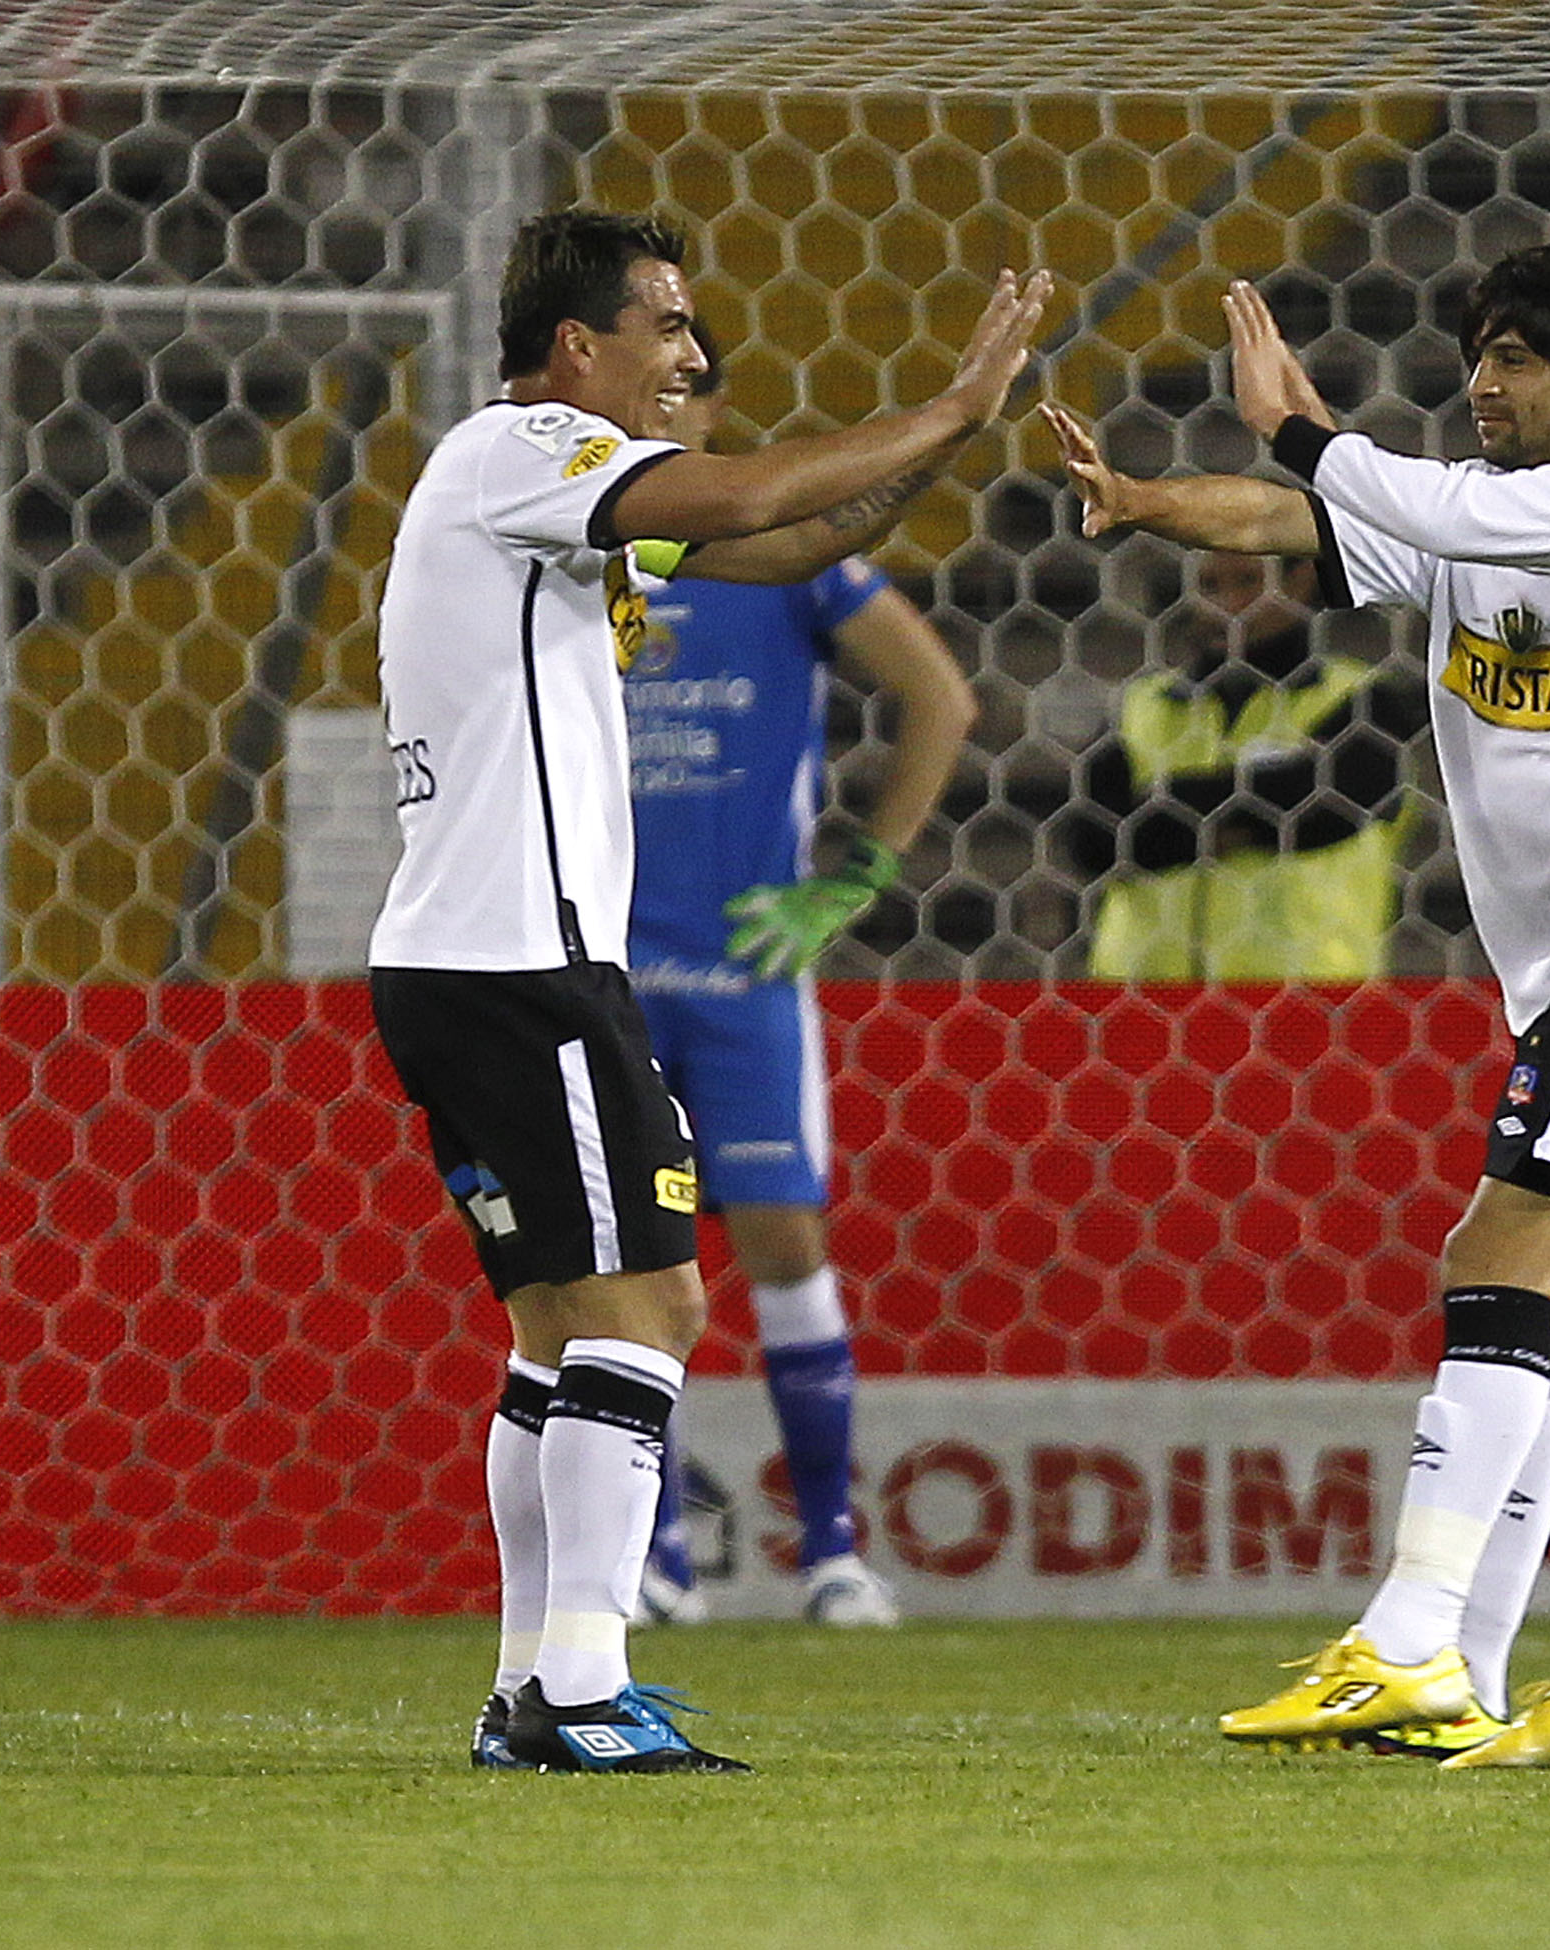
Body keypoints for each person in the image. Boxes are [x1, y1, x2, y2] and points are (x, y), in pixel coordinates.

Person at [1056, 215, 1550, 1768]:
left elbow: (1410, 504)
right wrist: (1160, 498)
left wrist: (1301, 424)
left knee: (1505, 1267)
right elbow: (1338, 527)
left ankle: (1422, 1641)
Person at [364, 205, 1046, 1773]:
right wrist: (944, 400)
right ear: (575, 347)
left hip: (477, 959)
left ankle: (535, 1683)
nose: (688, 352)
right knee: (654, 1301)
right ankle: (583, 1692)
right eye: (666, 324)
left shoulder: (545, 495)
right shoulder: (520, 446)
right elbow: (745, 485)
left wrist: (960, 431)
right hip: (522, 966)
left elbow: (790, 539)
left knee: (556, 1326)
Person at [620, 342, 976, 1630]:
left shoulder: (773, 557)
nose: (673, 397)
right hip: (601, 969)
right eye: (655, 374)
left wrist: (854, 879)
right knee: (627, 1260)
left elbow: (939, 693)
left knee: (780, 1241)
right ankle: (654, 1557)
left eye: (693, 379)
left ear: (720, 408)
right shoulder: (591, 547)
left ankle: (829, 1548)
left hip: (739, 966)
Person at [1063, 548, 1426, 981]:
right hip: (1144, 995)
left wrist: (1168, 804)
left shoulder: (1362, 698)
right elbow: (1091, 841)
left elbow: (1326, 811)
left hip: (1307, 1000)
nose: (1226, 606)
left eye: (1248, 582)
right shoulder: (1143, 705)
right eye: (1209, 585)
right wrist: (1253, 811)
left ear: (1301, 580)